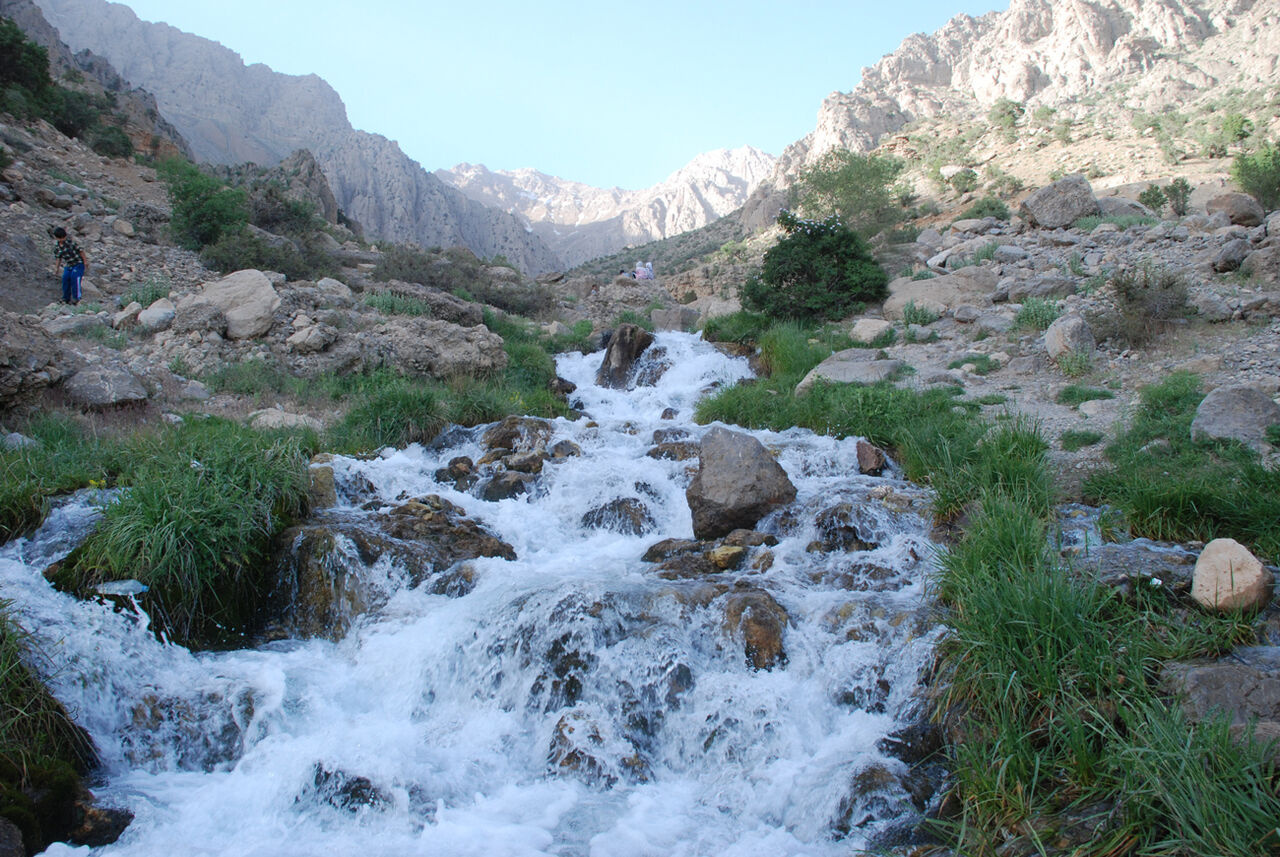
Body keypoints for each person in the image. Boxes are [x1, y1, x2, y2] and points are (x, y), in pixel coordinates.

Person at [52, 226, 87, 305]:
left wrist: (85, 261)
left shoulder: (71, 243)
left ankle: (76, 297)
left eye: (63, 237)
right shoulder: (57, 248)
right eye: (60, 238)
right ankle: (66, 298)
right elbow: (58, 258)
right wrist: (56, 268)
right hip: (69, 265)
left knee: (75, 278)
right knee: (65, 278)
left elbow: (81, 251)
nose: (62, 239)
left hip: (78, 263)